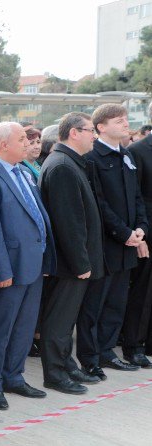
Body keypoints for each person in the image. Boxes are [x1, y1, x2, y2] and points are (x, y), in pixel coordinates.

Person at [0, 122, 56, 411]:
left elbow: (38, 216)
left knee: (23, 327)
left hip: (33, 263)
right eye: (22, 139)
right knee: (0, 328)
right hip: (10, 268)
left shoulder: (23, 171)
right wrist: (3, 270)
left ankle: (14, 376)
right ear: (3, 145)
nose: (28, 143)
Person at [77, 104, 148, 378]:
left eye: (125, 119)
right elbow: (99, 203)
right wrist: (123, 232)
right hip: (106, 244)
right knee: (94, 304)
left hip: (128, 243)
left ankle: (107, 352)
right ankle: (89, 357)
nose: (125, 124)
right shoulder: (93, 156)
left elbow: (137, 197)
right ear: (101, 127)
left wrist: (141, 228)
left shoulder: (127, 155)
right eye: (118, 120)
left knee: (117, 303)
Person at [38, 112, 105, 395]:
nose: (94, 135)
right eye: (91, 130)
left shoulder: (70, 162)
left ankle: (66, 364)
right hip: (69, 263)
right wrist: (81, 262)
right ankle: (54, 373)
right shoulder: (63, 166)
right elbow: (68, 222)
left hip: (74, 261)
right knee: (58, 321)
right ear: (74, 132)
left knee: (66, 321)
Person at [123, 104, 152, 368]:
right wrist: (140, 237)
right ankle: (134, 345)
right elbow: (135, 199)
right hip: (147, 234)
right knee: (143, 293)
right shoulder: (137, 151)